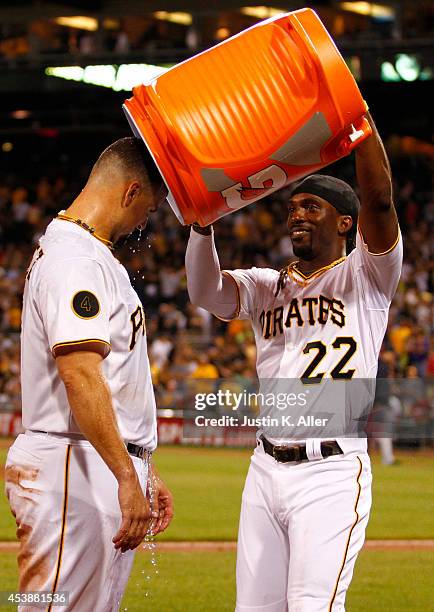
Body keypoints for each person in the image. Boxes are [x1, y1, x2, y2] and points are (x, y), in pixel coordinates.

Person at [185, 112, 402, 611]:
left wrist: (363, 129)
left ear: (345, 221)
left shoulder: (367, 276)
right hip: (265, 467)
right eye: (291, 208)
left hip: (329, 472)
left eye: (311, 206)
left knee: (312, 606)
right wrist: (202, 227)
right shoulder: (267, 284)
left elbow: (382, 201)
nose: (296, 215)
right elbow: (204, 291)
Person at [5, 137, 174, 610]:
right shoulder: (76, 259)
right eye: (150, 206)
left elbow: (116, 379)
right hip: (73, 468)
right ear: (130, 192)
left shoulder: (89, 254)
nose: (146, 219)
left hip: (87, 461)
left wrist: (141, 463)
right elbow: (80, 375)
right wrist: (126, 472)